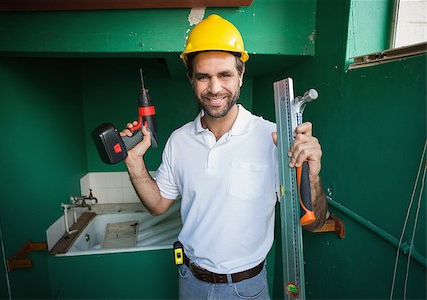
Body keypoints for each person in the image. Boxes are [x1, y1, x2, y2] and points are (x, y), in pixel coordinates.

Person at [122, 14, 327, 300]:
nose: (215, 88)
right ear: (191, 79)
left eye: (225, 75)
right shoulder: (179, 141)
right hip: (190, 281)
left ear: (241, 75)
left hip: (247, 288)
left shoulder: (275, 138)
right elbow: (157, 205)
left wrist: (311, 175)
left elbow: (316, 222)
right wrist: (134, 164)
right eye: (203, 76)